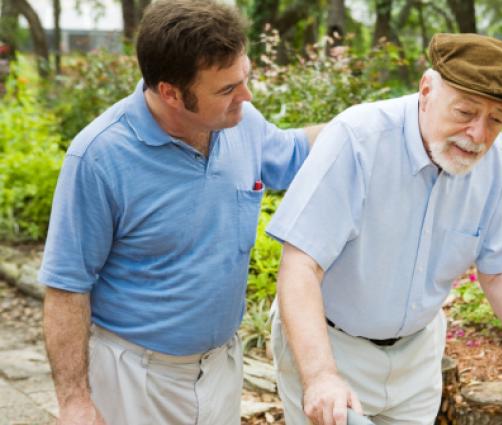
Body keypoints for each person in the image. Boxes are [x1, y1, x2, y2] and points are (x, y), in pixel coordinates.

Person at [266, 33, 502, 425]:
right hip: (332, 346)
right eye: (465, 112)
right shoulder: (358, 138)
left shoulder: (494, 159)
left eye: (496, 119)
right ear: (426, 90)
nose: (478, 135)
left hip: (417, 355)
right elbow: (300, 267)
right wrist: (321, 376)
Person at [37, 1, 323, 424]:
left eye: (244, 78)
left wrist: (379, 126)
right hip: (134, 379)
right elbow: (66, 287)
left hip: (220, 369)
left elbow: (299, 153)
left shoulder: (241, 122)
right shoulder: (99, 157)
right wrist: (75, 401)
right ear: (170, 92)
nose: (246, 96)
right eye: (227, 89)